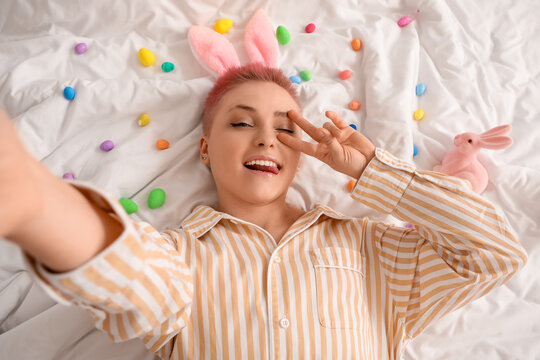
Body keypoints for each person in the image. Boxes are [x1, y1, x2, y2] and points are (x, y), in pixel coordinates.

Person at [0, 63, 528, 359]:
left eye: (285, 126)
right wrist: (35, 204)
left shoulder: (371, 249)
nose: (267, 139)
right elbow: (131, 278)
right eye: (240, 123)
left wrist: (373, 171)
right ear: (205, 149)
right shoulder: (181, 257)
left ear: (302, 150)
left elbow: (494, 254)